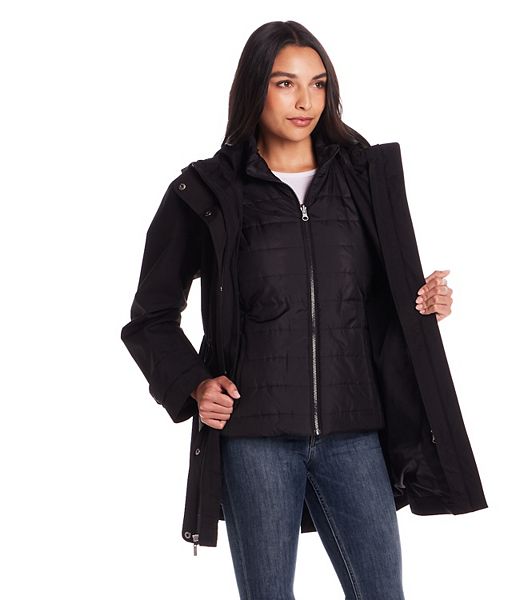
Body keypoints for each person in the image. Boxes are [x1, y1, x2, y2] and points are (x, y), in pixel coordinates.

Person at [120, 20, 487, 600]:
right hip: (255, 436)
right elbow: (150, 317)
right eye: (285, 83)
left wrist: (425, 302)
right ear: (254, 88)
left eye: (317, 84)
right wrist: (194, 384)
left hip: (353, 429)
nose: (305, 101)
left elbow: (381, 294)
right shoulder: (207, 192)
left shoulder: (363, 180)